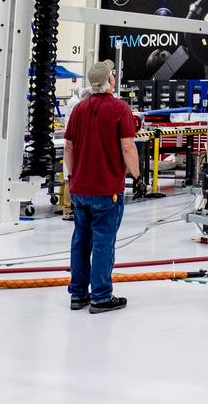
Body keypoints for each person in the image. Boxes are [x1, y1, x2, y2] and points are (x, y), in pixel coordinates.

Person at [64, 60, 139, 314]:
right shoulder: (120, 109)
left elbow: (69, 148)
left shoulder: (78, 110)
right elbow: (128, 147)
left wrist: (74, 178)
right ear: (111, 81)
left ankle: (77, 294)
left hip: (79, 190)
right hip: (107, 191)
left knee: (80, 241)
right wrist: (137, 176)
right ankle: (101, 297)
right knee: (103, 242)